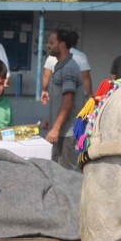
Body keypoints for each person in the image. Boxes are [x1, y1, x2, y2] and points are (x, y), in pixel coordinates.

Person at [44, 29, 81, 170]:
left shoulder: (69, 68)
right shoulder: (60, 66)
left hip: (66, 132)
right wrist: (51, 119)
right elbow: (60, 99)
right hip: (60, 129)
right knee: (56, 169)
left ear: (62, 45)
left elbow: (68, 100)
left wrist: (56, 128)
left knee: (66, 172)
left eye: (51, 43)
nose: (48, 46)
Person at [42, 30, 91, 101]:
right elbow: (86, 77)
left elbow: (46, 75)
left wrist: (44, 90)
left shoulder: (53, 55)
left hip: (56, 95)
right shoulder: (81, 56)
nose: (48, 45)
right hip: (76, 95)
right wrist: (90, 94)